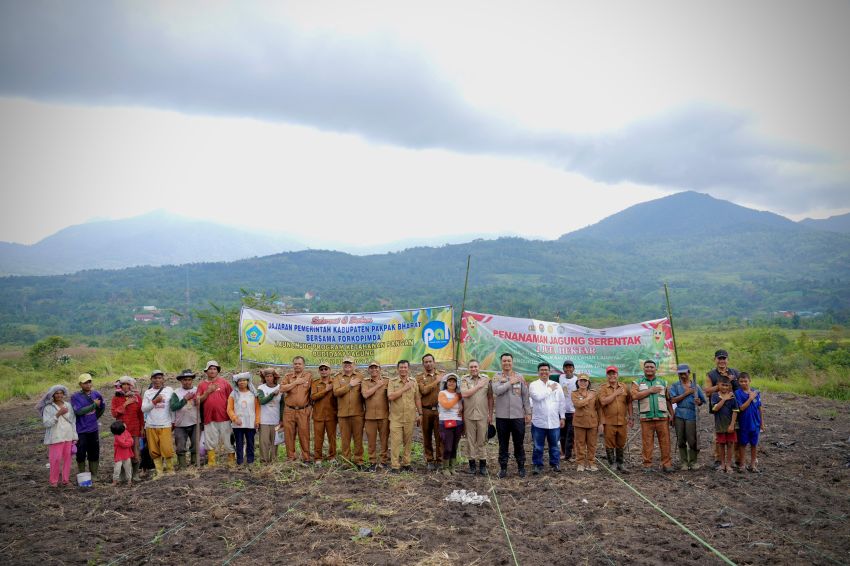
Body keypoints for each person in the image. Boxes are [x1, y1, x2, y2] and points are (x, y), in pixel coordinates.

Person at [492, 352, 531, 478]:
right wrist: (510, 382)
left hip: (518, 416)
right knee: (503, 444)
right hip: (502, 417)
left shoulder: (520, 377)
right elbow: (497, 391)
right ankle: (503, 468)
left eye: (509, 361)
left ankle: (521, 467)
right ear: (501, 362)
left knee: (518, 443)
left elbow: (525, 396)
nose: (507, 363)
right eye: (504, 361)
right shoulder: (496, 377)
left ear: (512, 362)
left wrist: (528, 412)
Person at [631, 360, 674, 473]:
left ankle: (666, 464)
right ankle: (647, 465)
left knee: (665, 442)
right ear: (644, 369)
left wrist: (672, 414)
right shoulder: (637, 382)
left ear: (655, 369)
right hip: (646, 418)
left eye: (651, 367)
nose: (649, 369)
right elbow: (634, 396)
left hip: (662, 418)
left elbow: (668, 400)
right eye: (647, 367)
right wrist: (650, 391)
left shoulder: (663, 382)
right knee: (647, 442)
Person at [704, 349, 741, 470]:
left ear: (727, 360)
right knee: (719, 433)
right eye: (719, 358)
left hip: (733, 406)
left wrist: (732, 381)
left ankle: (736, 460)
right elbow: (707, 391)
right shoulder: (711, 374)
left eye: (724, 358)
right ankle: (718, 459)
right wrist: (723, 384)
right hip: (718, 407)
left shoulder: (735, 372)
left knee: (734, 432)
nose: (722, 361)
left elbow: (740, 388)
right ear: (715, 360)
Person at [529, 362, 566, 474]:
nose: (544, 372)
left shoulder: (557, 385)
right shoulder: (534, 385)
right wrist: (549, 389)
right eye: (542, 370)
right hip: (538, 422)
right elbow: (537, 397)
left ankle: (555, 464)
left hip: (554, 422)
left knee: (554, 445)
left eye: (546, 370)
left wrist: (563, 417)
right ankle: (537, 465)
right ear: (538, 372)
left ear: (549, 372)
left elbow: (561, 402)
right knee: (538, 446)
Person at [197, 360, 234, 467]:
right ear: (206, 371)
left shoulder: (224, 383)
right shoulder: (202, 385)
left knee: (228, 439)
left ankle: (231, 461)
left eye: (214, 369)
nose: (212, 371)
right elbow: (198, 401)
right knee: (210, 440)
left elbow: (232, 398)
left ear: (217, 371)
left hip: (225, 417)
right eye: (210, 369)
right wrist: (208, 392)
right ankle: (211, 462)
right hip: (209, 417)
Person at [669, 364, 706, 470]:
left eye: (684, 373)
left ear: (689, 373)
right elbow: (673, 400)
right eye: (680, 374)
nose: (683, 376)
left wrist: (698, 402)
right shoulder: (675, 386)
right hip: (679, 415)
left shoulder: (695, 386)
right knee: (680, 439)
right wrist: (687, 393)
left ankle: (693, 461)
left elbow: (702, 401)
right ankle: (684, 462)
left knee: (692, 439)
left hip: (691, 415)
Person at [38, 385, 77, 487]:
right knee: (55, 459)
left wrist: (75, 436)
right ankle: (53, 481)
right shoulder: (48, 408)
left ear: (63, 394)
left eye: (61, 393)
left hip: (68, 435)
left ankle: (65, 480)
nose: (59, 395)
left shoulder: (68, 405)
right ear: (52, 395)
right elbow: (46, 423)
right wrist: (58, 414)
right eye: (56, 393)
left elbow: (72, 421)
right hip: (56, 437)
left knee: (67, 459)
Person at [460, 359, 493, 476]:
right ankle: (472, 465)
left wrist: (490, 414)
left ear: (479, 368)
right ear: (469, 369)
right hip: (469, 415)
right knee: (470, 441)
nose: (473, 369)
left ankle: (483, 465)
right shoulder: (464, 379)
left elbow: (490, 398)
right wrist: (478, 386)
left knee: (482, 441)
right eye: (471, 367)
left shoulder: (486, 379)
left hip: (482, 415)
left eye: (475, 367)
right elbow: (464, 394)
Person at [387, 359, 421, 473]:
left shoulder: (413, 382)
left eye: (405, 367)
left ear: (408, 369)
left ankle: (407, 463)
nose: (403, 369)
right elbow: (391, 396)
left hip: (410, 417)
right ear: (397, 369)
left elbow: (417, 398)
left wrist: (420, 414)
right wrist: (405, 388)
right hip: (396, 418)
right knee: (395, 442)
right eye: (401, 367)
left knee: (408, 442)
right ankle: (395, 466)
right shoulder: (392, 382)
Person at [597, 366, 633, 471]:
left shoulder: (624, 387)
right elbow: (603, 402)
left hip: (622, 421)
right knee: (609, 443)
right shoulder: (603, 388)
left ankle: (620, 463)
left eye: (614, 373)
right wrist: (615, 393)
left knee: (621, 442)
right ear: (607, 376)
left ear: (617, 375)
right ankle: (612, 463)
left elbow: (629, 402)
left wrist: (631, 417)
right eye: (610, 374)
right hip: (609, 421)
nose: (612, 376)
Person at [141, 369, 176, 478]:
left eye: (159, 378)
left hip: (165, 424)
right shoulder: (148, 392)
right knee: (154, 450)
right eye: (155, 378)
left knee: (167, 448)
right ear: (151, 379)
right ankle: (159, 472)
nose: (157, 380)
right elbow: (144, 409)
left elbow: (173, 407)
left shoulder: (169, 390)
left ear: (163, 379)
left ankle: (170, 470)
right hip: (151, 425)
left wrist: (173, 421)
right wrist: (154, 402)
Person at [71, 373, 105, 479]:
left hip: (93, 429)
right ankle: (82, 473)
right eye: (85, 383)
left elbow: (102, 407)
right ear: (80, 384)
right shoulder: (75, 397)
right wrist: (94, 405)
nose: (88, 384)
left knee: (94, 451)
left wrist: (95, 417)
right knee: (80, 452)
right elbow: (79, 412)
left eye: (89, 382)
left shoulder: (96, 394)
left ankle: (94, 474)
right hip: (81, 430)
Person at [333, 356, 365, 467]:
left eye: (350, 363)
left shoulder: (360, 377)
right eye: (346, 363)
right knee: (345, 440)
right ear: (343, 365)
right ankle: (346, 462)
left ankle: (359, 461)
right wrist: (350, 385)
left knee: (358, 439)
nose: (348, 365)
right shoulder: (337, 378)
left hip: (357, 414)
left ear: (354, 365)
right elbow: (336, 392)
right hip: (343, 414)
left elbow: (364, 394)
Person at [110, 376, 144, 480]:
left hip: (134, 428)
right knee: (122, 452)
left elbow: (140, 414)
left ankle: (135, 474)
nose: (125, 386)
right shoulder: (116, 398)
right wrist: (125, 404)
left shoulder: (137, 397)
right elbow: (114, 413)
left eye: (128, 384)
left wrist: (142, 428)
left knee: (135, 451)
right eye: (123, 384)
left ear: (131, 386)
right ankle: (123, 474)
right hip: (121, 431)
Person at [416, 353, 446, 472]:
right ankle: (429, 460)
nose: (428, 364)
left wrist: (440, 379)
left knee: (440, 436)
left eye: (430, 361)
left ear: (434, 362)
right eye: (426, 362)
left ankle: (439, 460)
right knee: (427, 436)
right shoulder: (419, 377)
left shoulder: (442, 375)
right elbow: (423, 391)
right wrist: (436, 382)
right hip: (426, 410)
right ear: (423, 364)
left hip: (440, 410)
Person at [281, 356, 313, 463]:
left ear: (303, 365)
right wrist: (295, 382)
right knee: (289, 434)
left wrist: (309, 408)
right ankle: (291, 457)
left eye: (299, 364)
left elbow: (312, 392)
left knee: (304, 434)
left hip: (303, 410)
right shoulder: (288, 376)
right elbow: (282, 388)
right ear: (293, 365)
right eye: (295, 364)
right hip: (289, 410)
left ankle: (306, 457)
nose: (297, 366)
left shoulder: (309, 376)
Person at [362, 361, 390, 471]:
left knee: (384, 440)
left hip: (384, 416)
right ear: (369, 370)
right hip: (369, 417)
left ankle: (384, 461)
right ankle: (372, 462)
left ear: (380, 369)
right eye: (371, 368)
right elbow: (365, 394)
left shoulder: (387, 381)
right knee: (371, 441)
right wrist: (378, 385)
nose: (374, 370)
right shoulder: (365, 382)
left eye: (376, 367)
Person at [228, 372, 260, 466]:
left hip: (251, 423)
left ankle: (250, 461)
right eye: (240, 381)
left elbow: (258, 409)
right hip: (238, 423)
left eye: (244, 380)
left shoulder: (253, 393)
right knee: (239, 443)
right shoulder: (233, 394)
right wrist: (234, 418)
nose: (242, 382)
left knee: (250, 442)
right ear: (237, 383)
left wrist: (257, 421)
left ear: (248, 382)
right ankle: (240, 462)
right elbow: (229, 409)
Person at [170, 369, 199, 469]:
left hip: (195, 422)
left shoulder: (197, 390)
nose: (187, 381)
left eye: (189, 379)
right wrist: (184, 399)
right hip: (180, 424)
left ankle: (194, 463)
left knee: (195, 444)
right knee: (180, 446)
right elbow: (173, 407)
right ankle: (182, 465)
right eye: (184, 380)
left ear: (192, 380)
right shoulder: (176, 393)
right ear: (181, 381)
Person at [735, 372, 763, 473]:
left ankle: (752, 465)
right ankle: (742, 464)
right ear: (738, 382)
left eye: (745, 381)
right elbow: (741, 408)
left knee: (754, 444)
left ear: (749, 381)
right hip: (744, 424)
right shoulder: (737, 393)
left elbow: (760, 408)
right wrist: (750, 398)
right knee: (742, 444)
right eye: (741, 381)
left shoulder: (756, 392)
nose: (743, 383)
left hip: (755, 423)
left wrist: (762, 423)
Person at [572, 374, 601, 471]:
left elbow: (598, 408)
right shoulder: (574, 393)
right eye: (581, 381)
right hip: (579, 423)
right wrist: (588, 398)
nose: (583, 383)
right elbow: (578, 404)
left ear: (588, 383)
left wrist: (600, 422)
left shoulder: (594, 393)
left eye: (585, 381)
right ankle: (580, 463)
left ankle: (591, 463)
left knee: (592, 444)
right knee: (580, 443)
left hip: (592, 422)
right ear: (577, 382)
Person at [311, 362, 338, 465]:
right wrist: (325, 390)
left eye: (326, 369)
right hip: (318, 415)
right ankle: (318, 458)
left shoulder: (335, 382)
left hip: (331, 415)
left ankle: (332, 457)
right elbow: (313, 397)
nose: (323, 371)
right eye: (321, 369)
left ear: (329, 370)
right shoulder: (315, 383)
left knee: (332, 438)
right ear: (319, 371)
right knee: (318, 438)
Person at [710, 378, 739, 473]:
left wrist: (732, 425)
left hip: (730, 425)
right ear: (718, 385)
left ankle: (729, 465)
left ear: (729, 386)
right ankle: (722, 464)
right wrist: (724, 399)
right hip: (720, 425)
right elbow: (715, 408)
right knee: (721, 445)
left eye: (727, 385)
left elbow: (735, 411)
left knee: (730, 444)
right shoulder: (714, 396)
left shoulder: (732, 397)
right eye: (723, 385)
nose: (724, 387)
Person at [437, 373, 464, 475]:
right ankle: (445, 468)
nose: (451, 383)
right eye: (449, 381)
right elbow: (447, 405)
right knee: (447, 446)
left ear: (457, 383)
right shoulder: (442, 393)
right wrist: (457, 397)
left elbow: (462, 408)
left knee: (454, 446)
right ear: (446, 382)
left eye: (453, 381)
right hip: (446, 422)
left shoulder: (460, 395)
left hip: (458, 422)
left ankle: (452, 467)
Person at [256, 368, 283, 464]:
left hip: (275, 420)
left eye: (270, 376)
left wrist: (281, 419)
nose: (268, 378)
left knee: (275, 442)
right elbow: (261, 401)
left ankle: (274, 461)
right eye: (266, 376)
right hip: (264, 420)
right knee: (264, 442)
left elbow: (282, 404)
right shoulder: (261, 388)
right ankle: (264, 461)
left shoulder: (280, 388)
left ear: (274, 377)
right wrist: (272, 394)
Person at [558, 360, 578, 462]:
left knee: (571, 433)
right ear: (563, 369)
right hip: (562, 411)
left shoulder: (578, 379)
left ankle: (570, 454)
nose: (568, 369)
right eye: (566, 367)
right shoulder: (560, 378)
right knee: (562, 433)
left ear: (573, 369)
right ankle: (564, 452)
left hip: (574, 411)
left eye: (570, 367)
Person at [111, 420, 134, 486]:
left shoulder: (126, 432)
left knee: (128, 467)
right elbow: (124, 444)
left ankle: (129, 480)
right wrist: (129, 442)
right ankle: (115, 480)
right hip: (119, 455)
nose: (125, 424)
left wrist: (129, 441)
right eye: (123, 424)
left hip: (126, 454)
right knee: (117, 468)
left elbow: (130, 439)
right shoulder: (117, 436)